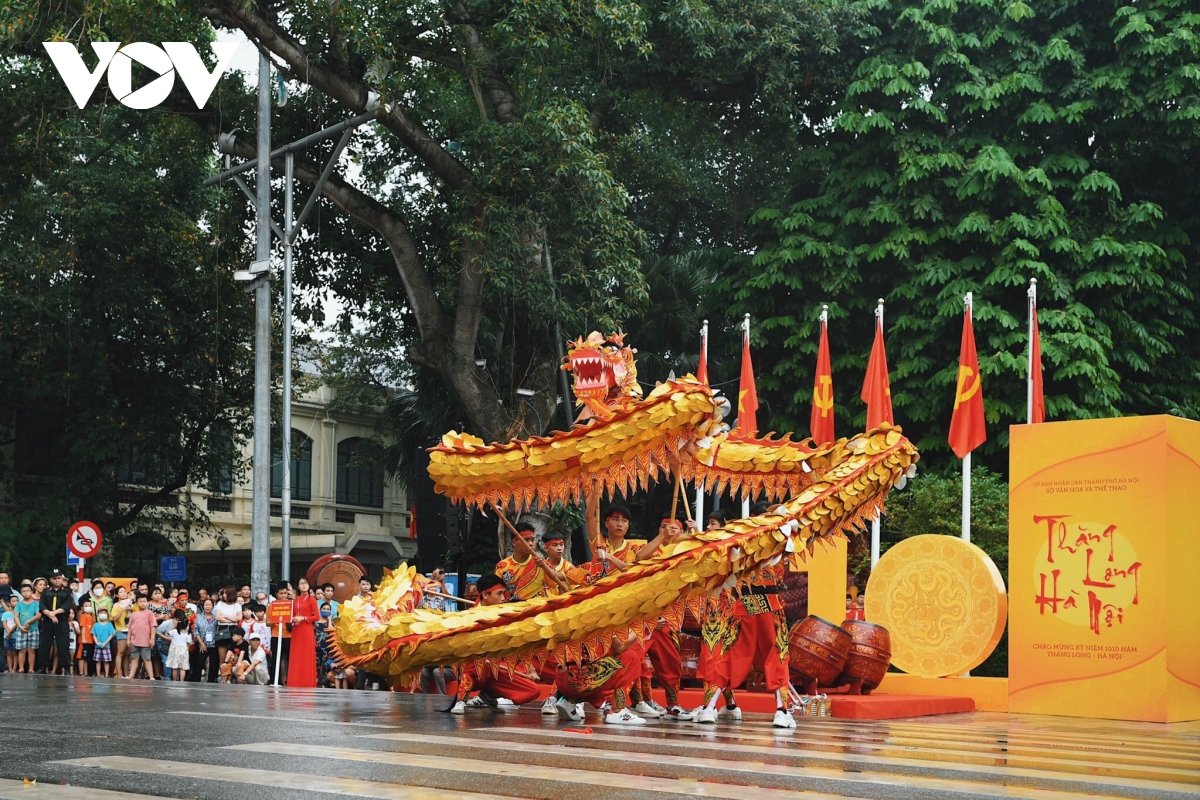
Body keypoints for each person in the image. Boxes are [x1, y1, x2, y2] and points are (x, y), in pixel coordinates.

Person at [450, 575, 543, 714]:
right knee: (476, 664)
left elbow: (516, 643)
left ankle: (489, 695)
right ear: (485, 595)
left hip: (496, 669)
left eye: (503, 593)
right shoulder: (469, 616)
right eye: (499, 594)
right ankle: (461, 700)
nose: (503, 598)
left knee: (533, 690)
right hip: (474, 668)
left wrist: (530, 669)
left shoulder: (505, 616)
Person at [37, 569, 74, 675]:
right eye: (55, 578)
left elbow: (67, 606)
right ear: (51, 580)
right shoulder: (46, 591)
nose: (57, 580)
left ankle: (66, 668)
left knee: (63, 645)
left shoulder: (67, 591)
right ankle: (43, 667)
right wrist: (50, 614)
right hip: (47, 621)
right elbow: (42, 605)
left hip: (61, 620)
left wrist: (54, 613)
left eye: (59, 578)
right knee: (44, 644)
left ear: (62, 579)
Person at [287, 577, 318, 687]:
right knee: (296, 655)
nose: (304, 585)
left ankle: (307, 681)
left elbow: (317, 617)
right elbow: (291, 614)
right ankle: (295, 681)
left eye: (305, 583)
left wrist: (304, 618)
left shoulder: (312, 599)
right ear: (298, 586)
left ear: (309, 586)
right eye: (301, 583)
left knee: (306, 655)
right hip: (297, 629)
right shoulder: (296, 600)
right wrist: (293, 619)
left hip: (306, 628)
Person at [126, 594, 157, 680]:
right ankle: (131, 676)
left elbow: (153, 626)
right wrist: (128, 639)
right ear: (137, 603)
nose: (142, 603)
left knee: (147, 659)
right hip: (135, 640)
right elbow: (130, 627)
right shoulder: (134, 614)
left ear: (147, 602)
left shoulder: (150, 613)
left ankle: (151, 676)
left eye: (144, 601)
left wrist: (152, 639)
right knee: (134, 658)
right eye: (140, 602)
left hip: (146, 641)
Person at [13, 583, 40, 673]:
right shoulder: (19, 605)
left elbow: (38, 615)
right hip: (21, 630)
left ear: (32, 592)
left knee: (31, 650)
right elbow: (16, 616)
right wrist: (20, 626)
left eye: (28, 591)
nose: (26, 593)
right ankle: (21, 668)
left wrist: (28, 622)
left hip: (33, 629)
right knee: (22, 650)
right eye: (23, 591)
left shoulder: (36, 604)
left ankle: (31, 668)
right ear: (21, 593)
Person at [213, 587, 241, 671]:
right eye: (223, 593)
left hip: (233, 629)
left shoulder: (237, 605)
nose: (224, 595)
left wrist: (226, 617)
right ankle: (223, 676)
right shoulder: (220, 604)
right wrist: (232, 619)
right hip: (222, 629)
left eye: (226, 593)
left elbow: (239, 618)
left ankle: (230, 678)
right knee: (222, 657)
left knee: (232, 656)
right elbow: (217, 617)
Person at [192, 598, 219, 682]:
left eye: (209, 605)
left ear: (213, 606)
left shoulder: (216, 618)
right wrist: (201, 643)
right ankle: (196, 681)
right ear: (203, 606)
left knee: (213, 664)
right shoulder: (199, 618)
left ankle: (211, 681)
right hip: (202, 644)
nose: (208, 607)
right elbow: (196, 631)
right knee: (199, 663)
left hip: (214, 644)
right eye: (206, 605)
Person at [162, 614, 192, 681]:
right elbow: (188, 644)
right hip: (184, 650)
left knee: (174, 667)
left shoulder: (175, 632)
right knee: (183, 668)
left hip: (175, 651)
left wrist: (174, 626)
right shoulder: (188, 634)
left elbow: (167, 633)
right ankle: (181, 681)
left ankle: (174, 680)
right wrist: (187, 652)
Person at [111, 586, 131, 678]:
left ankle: (126, 674)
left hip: (131, 631)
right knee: (120, 653)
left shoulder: (131, 603)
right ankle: (119, 673)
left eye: (125, 591)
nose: (123, 593)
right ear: (117, 595)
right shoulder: (116, 605)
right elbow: (114, 618)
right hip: (121, 630)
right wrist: (123, 609)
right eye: (121, 592)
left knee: (127, 654)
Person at [92, 607, 115, 678]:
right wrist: (96, 643)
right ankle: (98, 674)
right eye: (101, 613)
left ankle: (107, 674)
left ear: (107, 615)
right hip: (97, 646)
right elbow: (93, 634)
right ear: (98, 615)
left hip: (106, 646)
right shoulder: (96, 625)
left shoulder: (109, 624)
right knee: (98, 661)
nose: (103, 614)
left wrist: (105, 643)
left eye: (104, 613)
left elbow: (112, 634)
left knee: (106, 661)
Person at [76, 598, 96, 677]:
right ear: (82, 608)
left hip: (90, 640)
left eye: (90, 606)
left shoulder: (92, 617)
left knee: (87, 657)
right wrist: (83, 638)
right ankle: (81, 672)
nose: (88, 607)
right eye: (86, 606)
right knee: (82, 657)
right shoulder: (83, 616)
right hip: (84, 640)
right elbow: (83, 627)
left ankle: (86, 672)